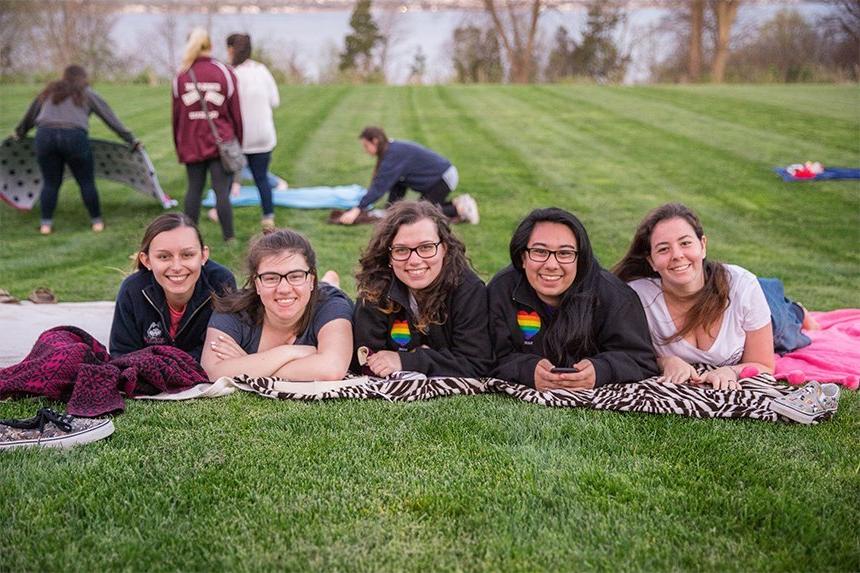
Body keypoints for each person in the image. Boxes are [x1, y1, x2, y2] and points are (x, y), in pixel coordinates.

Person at [488, 207, 658, 391]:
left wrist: (600, 371)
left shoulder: (615, 296)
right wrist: (526, 370)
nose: (551, 265)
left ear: (580, 258)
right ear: (523, 257)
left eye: (565, 253)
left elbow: (641, 360)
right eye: (539, 251)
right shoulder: (501, 290)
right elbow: (486, 355)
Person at [614, 203, 776, 390]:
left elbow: (764, 365)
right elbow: (623, 353)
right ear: (651, 261)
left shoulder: (743, 286)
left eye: (685, 243)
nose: (677, 255)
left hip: (762, 305)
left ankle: (798, 310)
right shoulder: (636, 297)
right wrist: (664, 362)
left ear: (703, 245)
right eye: (663, 249)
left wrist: (732, 371)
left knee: (787, 325)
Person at [352, 201, 492, 378]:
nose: (414, 260)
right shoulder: (375, 288)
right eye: (401, 250)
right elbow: (365, 359)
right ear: (389, 256)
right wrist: (439, 358)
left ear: (444, 249)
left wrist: (408, 360)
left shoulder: (468, 290)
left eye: (426, 247)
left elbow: (476, 362)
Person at [200, 229, 353, 381]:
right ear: (257, 284)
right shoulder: (234, 310)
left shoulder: (332, 306)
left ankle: (329, 282)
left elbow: (332, 369)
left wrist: (249, 363)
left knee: (325, 288)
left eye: (295, 276)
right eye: (271, 278)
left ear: (311, 280)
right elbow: (212, 370)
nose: (284, 289)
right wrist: (288, 352)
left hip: (320, 294)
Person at [13, 64, 139, 235]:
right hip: (74, 137)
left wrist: (20, 133)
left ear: (63, 76)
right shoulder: (87, 93)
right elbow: (109, 118)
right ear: (83, 77)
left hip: (45, 135)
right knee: (85, 181)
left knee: (50, 183)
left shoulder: (49, 91)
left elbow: (31, 114)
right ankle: (97, 222)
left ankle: (45, 225)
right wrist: (130, 139)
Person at [110, 213, 236, 361]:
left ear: (203, 256)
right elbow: (121, 354)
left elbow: (223, 348)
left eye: (187, 255)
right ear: (146, 260)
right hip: (150, 378)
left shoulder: (220, 282)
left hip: (200, 376)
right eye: (164, 257)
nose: (176, 267)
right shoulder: (132, 290)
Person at [172, 27, 242, 242]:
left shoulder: (181, 75)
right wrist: (238, 140)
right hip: (220, 141)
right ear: (210, 45)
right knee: (221, 191)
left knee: (194, 189)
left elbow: (177, 116)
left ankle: (188, 238)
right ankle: (229, 236)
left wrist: (180, 145)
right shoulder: (225, 72)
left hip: (192, 141)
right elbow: (236, 113)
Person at [338, 126, 479, 225]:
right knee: (407, 192)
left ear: (375, 141)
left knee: (420, 213)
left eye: (366, 146)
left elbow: (379, 187)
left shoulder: (392, 155)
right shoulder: (391, 149)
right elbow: (396, 184)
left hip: (443, 178)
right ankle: (459, 202)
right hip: (439, 176)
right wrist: (390, 211)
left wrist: (357, 210)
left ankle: (461, 210)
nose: (365, 150)